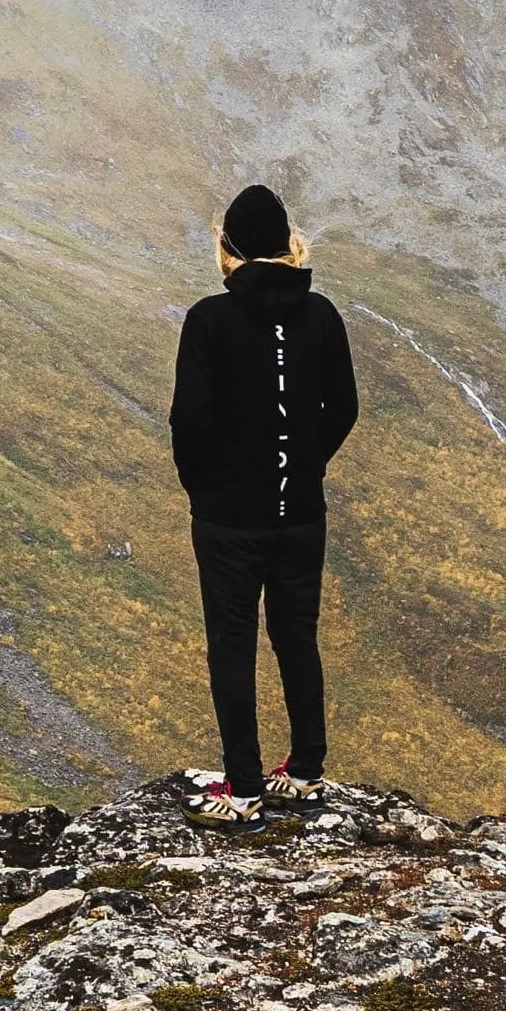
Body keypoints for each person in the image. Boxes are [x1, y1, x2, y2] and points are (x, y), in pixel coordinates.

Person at [167, 183, 361, 827]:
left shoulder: (209, 320)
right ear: (288, 247)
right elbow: (344, 410)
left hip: (229, 518)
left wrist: (204, 485)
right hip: (300, 513)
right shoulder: (322, 315)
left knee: (232, 643)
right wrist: (303, 466)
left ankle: (244, 790)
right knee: (296, 637)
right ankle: (305, 770)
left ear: (228, 251)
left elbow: (190, 419)